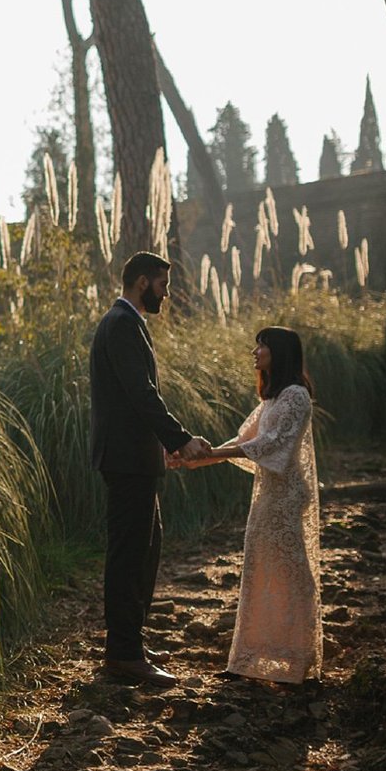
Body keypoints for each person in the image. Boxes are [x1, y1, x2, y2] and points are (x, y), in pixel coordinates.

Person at [177, 326, 322, 684]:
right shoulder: (273, 398)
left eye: (262, 346)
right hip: (268, 494)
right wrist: (196, 459)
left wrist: (210, 454)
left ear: (279, 352)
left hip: (286, 496)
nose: (255, 352)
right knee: (260, 568)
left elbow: (270, 444)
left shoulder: (296, 396)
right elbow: (244, 440)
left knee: (292, 571)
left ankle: (299, 657)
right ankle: (251, 656)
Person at [89, 251, 208, 687]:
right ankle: (123, 652)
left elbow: (134, 399)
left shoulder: (127, 322)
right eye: (162, 285)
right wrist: (180, 439)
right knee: (129, 554)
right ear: (142, 282)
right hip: (125, 460)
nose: (166, 294)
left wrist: (161, 448)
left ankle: (130, 641)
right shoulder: (121, 324)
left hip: (135, 457)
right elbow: (141, 394)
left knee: (146, 548)